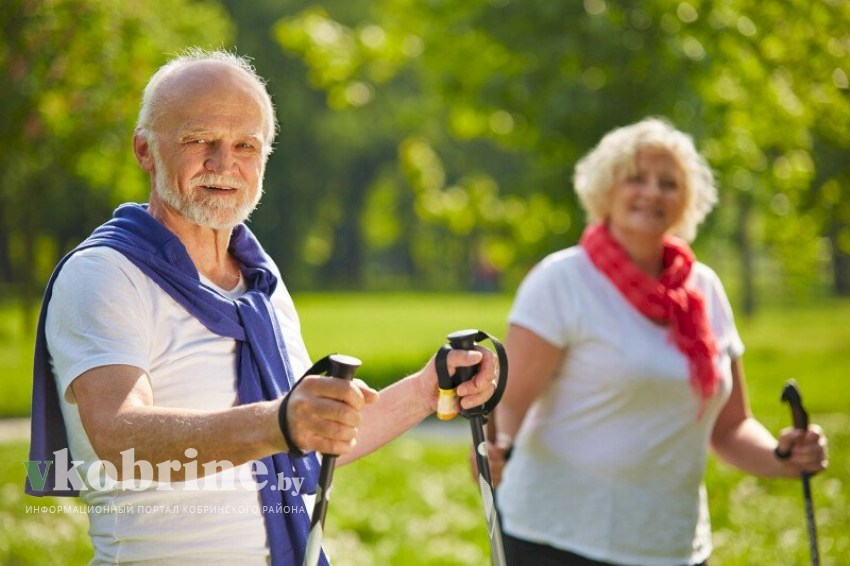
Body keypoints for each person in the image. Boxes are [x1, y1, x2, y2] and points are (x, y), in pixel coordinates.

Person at [26, 48, 497, 565]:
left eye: (245, 145)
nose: (223, 163)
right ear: (145, 150)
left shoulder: (260, 282)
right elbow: (118, 436)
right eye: (197, 140)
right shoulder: (105, 272)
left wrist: (429, 388)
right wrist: (277, 423)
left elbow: (309, 440)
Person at [490, 118, 829, 566]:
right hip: (557, 536)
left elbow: (729, 427)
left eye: (668, 183)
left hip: (672, 542)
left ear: (686, 200)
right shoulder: (562, 281)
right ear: (606, 189)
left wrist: (783, 456)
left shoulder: (704, 289)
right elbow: (510, 403)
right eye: (636, 178)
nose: (652, 192)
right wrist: (497, 448)